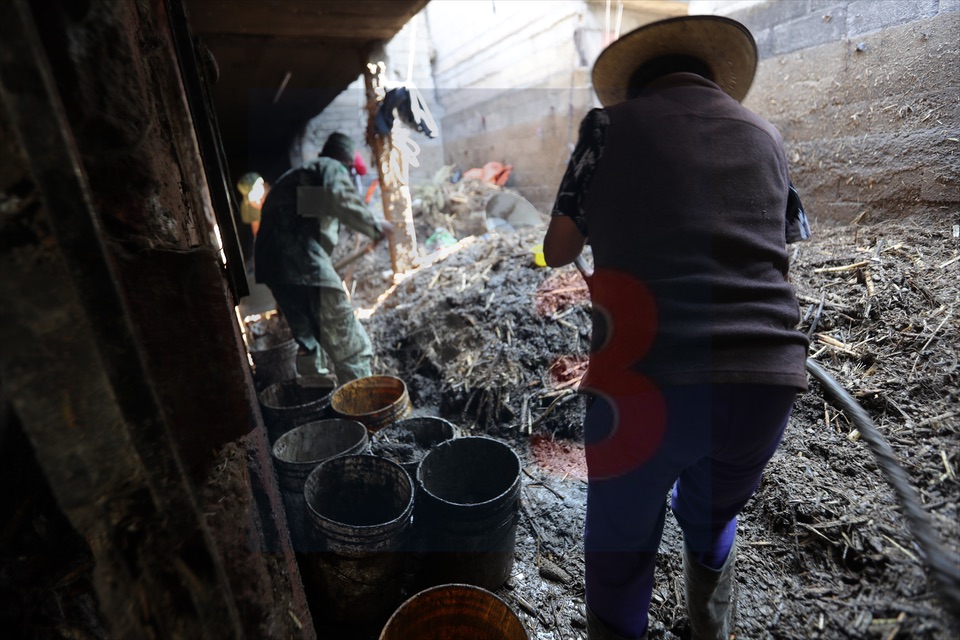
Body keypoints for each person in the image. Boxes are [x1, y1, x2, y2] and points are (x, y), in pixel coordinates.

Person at [542, 16, 811, 640]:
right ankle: (710, 629)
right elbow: (784, 240)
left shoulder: (607, 128)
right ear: (715, 78)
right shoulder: (767, 135)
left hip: (645, 385)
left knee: (622, 542)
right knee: (712, 514)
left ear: (633, 87)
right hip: (765, 383)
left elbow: (558, 251)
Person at [255, 132, 393, 386]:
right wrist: (375, 226)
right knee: (348, 341)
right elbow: (339, 197)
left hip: (275, 269)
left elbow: (316, 225)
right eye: (351, 171)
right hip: (299, 261)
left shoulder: (301, 178)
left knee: (309, 339)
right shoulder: (329, 167)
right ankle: (364, 407)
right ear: (347, 164)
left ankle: (315, 400)